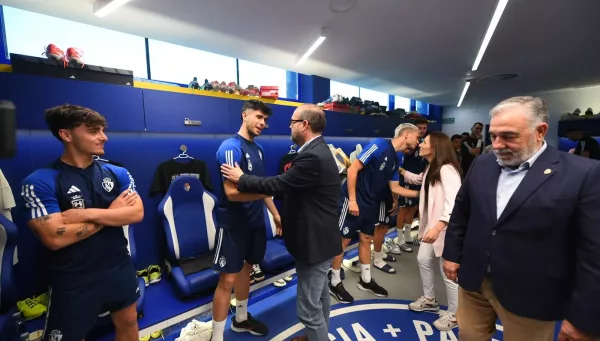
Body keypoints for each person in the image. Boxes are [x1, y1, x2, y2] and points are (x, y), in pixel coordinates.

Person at [443, 96, 600, 341]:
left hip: (532, 292)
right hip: (475, 280)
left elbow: (593, 252)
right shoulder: (482, 164)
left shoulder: (583, 174)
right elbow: (462, 212)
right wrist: (452, 254)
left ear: (540, 131)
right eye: (493, 135)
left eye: (508, 136)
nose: (496, 144)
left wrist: (585, 318)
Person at [21, 105, 144, 341]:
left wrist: (87, 214)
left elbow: (136, 213)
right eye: (93, 131)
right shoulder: (40, 181)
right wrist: (111, 214)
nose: (103, 136)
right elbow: (55, 237)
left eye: (103, 130)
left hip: (118, 267)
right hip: (73, 278)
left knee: (129, 321)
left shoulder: (116, 173)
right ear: (66, 134)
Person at [220, 104, 342, 341]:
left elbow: (278, 184)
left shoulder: (312, 155)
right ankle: (315, 335)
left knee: (307, 309)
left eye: (292, 122)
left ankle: (317, 335)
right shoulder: (317, 150)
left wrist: (242, 178)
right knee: (320, 295)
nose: (290, 127)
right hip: (321, 240)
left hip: (315, 244)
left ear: (304, 125)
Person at [211, 100, 281, 341]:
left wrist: (275, 213)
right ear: (245, 115)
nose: (263, 123)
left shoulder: (258, 150)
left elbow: (262, 189)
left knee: (246, 270)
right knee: (227, 279)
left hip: (255, 222)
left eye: (265, 120)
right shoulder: (230, 148)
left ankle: (241, 319)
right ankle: (217, 336)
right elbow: (232, 193)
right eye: (259, 117)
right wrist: (272, 191)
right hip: (233, 224)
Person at [328, 124, 421, 304]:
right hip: (354, 200)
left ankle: (366, 280)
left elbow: (395, 187)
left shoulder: (396, 157)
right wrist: (353, 200)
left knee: (366, 240)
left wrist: (422, 193)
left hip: (372, 203)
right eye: (417, 138)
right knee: (343, 242)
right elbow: (353, 169)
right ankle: (334, 282)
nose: (418, 142)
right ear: (407, 134)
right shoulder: (379, 144)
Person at [399, 131, 462, 331]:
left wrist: (438, 227)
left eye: (424, 142)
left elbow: (455, 204)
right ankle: (429, 299)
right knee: (423, 259)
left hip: (444, 231)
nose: (420, 144)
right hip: (431, 228)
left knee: (448, 272)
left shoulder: (447, 170)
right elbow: (419, 180)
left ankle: (455, 313)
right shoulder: (431, 168)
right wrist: (399, 170)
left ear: (434, 146)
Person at [391, 117, 429, 254]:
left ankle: (407, 235)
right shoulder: (406, 146)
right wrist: (401, 171)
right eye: (420, 128)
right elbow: (398, 164)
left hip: (417, 179)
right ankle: (399, 238)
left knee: (413, 207)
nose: (422, 131)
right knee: (404, 208)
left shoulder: (423, 144)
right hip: (404, 179)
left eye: (425, 128)